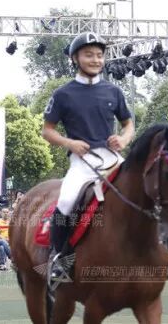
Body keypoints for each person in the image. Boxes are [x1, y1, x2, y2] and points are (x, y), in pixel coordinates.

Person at [42, 32, 135, 281]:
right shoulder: (63, 94)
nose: (95, 60)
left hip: (113, 159)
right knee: (66, 201)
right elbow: (47, 131)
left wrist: (124, 139)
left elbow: (128, 124)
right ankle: (60, 258)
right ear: (75, 58)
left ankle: (167, 253)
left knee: (144, 192)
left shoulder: (113, 91)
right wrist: (69, 143)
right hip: (82, 162)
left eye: (99, 55)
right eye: (89, 55)